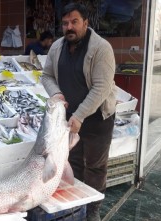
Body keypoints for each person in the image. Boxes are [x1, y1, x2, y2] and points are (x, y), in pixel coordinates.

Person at [41, 2, 116, 221]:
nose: (69, 27)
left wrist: (80, 115)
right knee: (71, 162)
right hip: (68, 118)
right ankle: (76, 206)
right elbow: (46, 76)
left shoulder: (101, 48)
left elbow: (101, 87)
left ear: (85, 22)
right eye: (65, 23)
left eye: (74, 22)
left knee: (94, 166)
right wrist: (56, 94)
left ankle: (93, 209)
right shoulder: (56, 47)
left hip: (97, 118)